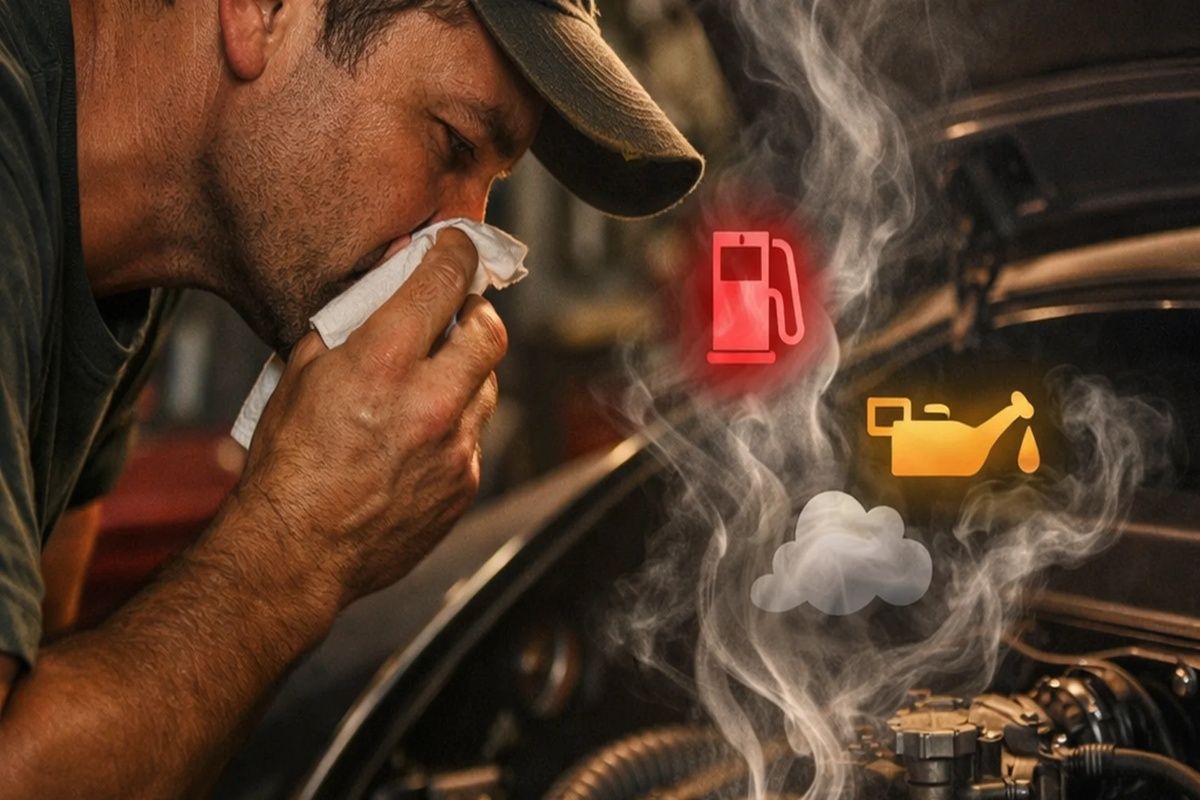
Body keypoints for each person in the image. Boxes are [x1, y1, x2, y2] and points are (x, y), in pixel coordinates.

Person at [0, 0, 702, 793]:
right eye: (454, 143)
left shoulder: (128, 264)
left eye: (487, 188)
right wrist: (302, 541)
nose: (458, 249)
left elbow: (44, 690)